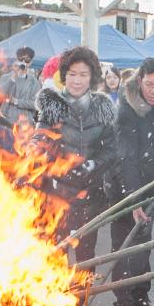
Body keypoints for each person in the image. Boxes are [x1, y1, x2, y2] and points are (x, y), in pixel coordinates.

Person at [33, 46, 117, 269]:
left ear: (92, 78)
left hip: (90, 193)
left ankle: (81, 300)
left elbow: (110, 150)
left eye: (83, 75)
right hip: (56, 192)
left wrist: (92, 165)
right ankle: (53, 300)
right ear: (63, 76)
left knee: (86, 253)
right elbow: (40, 137)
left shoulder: (103, 108)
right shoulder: (53, 107)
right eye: (72, 74)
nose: (77, 81)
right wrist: (36, 150)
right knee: (55, 251)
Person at [109, 58, 154, 306]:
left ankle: (141, 295)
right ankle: (124, 301)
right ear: (140, 82)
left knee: (143, 244)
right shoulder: (127, 109)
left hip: (149, 186)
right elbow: (125, 157)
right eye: (149, 85)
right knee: (123, 245)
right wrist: (134, 200)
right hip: (123, 187)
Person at [0, 47, 41, 123]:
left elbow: (36, 104)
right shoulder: (5, 77)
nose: (24, 62)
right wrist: (13, 77)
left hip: (25, 123)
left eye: (27, 60)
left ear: (31, 61)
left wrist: (17, 101)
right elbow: (0, 95)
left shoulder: (34, 82)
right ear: (16, 59)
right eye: (21, 60)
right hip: (7, 120)